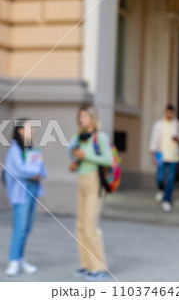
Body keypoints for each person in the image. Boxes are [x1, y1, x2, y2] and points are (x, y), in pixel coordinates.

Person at [68, 105, 112, 282]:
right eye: (80, 116)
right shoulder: (78, 138)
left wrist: (86, 155)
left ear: (93, 118)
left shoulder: (100, 137)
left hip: (95, 182)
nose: (81, 119)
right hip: (82, 180)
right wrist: (74, 162)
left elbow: (107, 160)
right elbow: (76, 160)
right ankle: (87, 265)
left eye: (85, 116)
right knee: (80, 225)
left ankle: (100, 267)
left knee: (90, 225)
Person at [3, 119, 47, 276]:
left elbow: (43, 170)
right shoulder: (14, 150)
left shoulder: (34, 150)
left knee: (27, 227)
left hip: (32, 192)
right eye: (30, 128)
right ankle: (13, 261)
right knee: (19, 227)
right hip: (20, 193)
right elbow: (20, 170)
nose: (33, 131)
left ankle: (20, 259)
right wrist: (34, 173)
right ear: (20, 130)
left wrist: (37, 173)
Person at [149, 104, 179, 212]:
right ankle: (161, 190)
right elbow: (154, 140)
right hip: (160, 154)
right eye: (167, 112)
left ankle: (166, 200)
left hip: (174, 155)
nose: (169, 114)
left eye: (171, 112)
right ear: (164, 112)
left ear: (173, 113)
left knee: (170, 179)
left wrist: (178, 140)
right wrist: (152, 153)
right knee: (160, 177)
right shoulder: (158, 124)